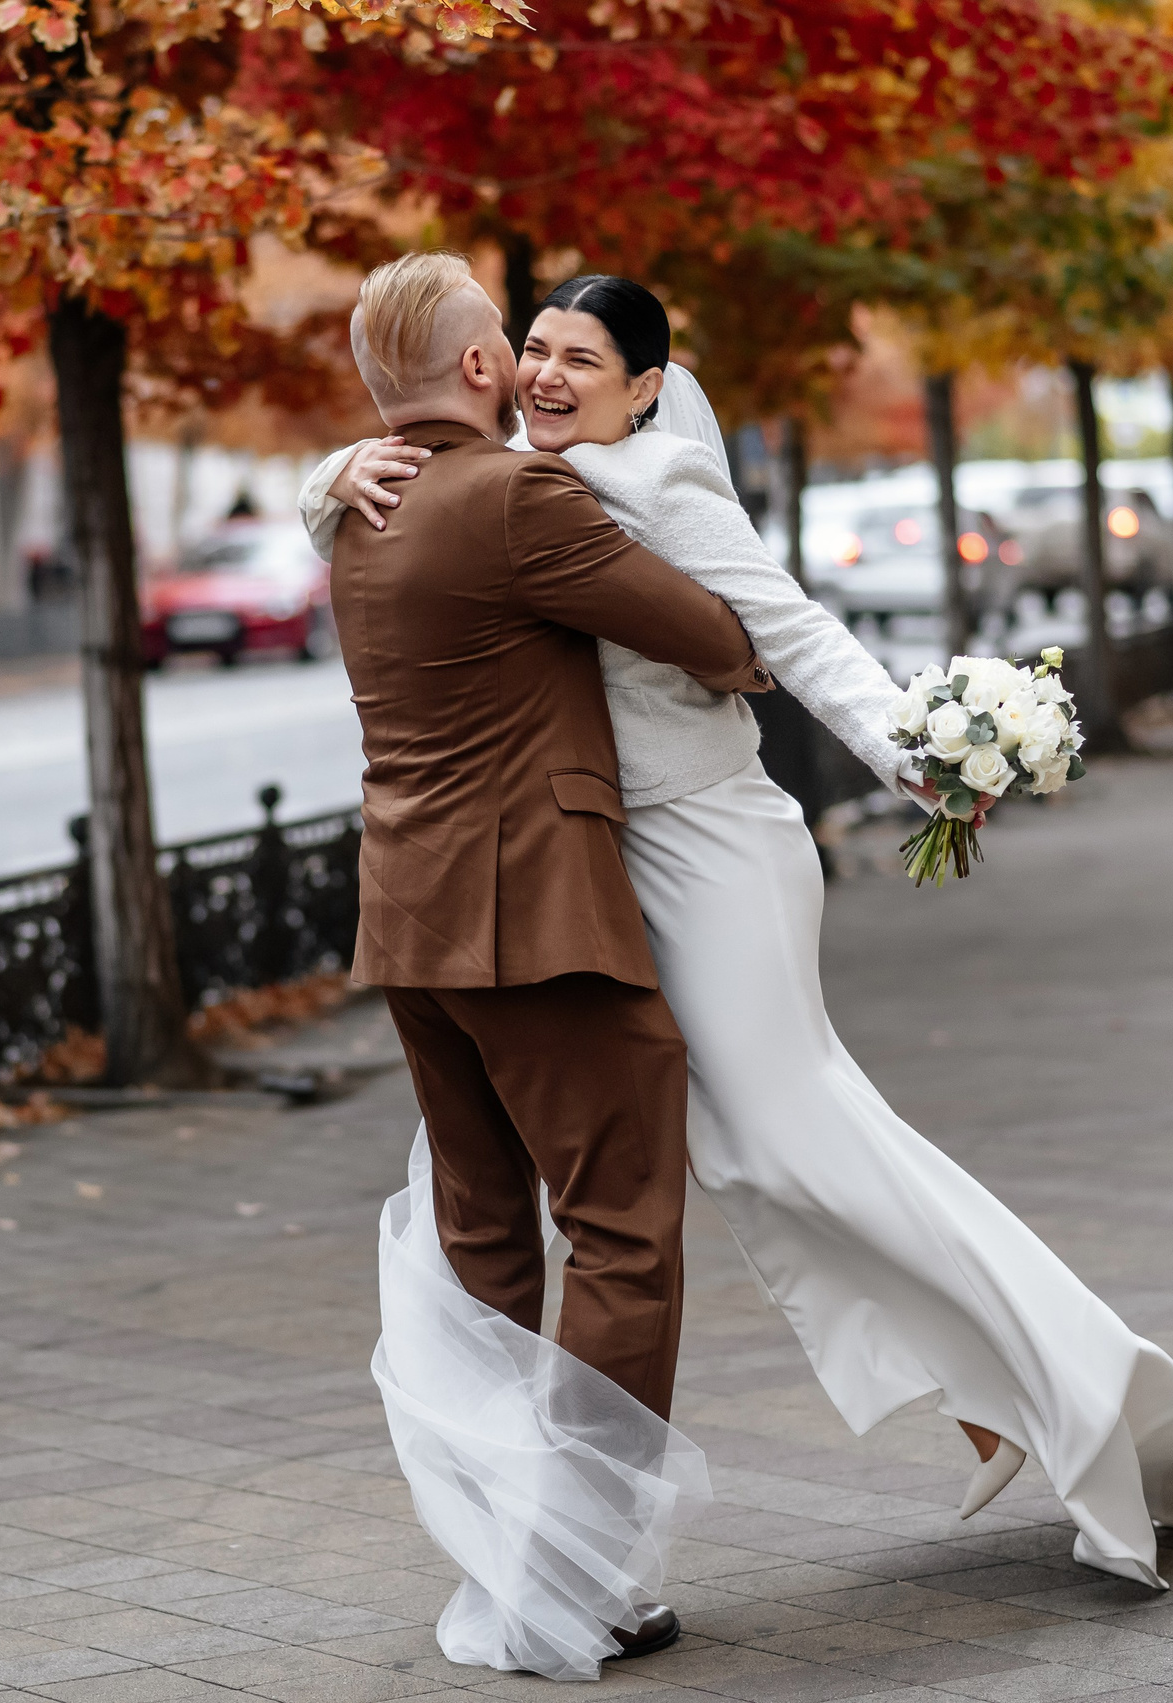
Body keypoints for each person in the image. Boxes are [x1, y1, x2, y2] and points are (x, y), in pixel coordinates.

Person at [309, 269, 1173, 1672]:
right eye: (537, 351)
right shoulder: (489, 483)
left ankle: (1075, 1386)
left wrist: (920, 756)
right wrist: (341, 464)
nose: (553, 375)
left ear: (646, 390)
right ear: (493, 366)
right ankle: (984, 1390)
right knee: (744, 1165)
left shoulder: (651, 483)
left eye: (583, 359)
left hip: (714, 855)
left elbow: (780, 631)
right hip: (604, 877)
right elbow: (454, 489)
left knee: (794, 1144)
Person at [329, 253, 774, 1678]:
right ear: (477, 373)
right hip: (541, 921)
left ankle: (511, 1552)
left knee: (487, 1252)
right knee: (627, 1233)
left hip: (413, 921)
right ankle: (576, 1579)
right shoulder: (517, 497)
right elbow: (719, 638)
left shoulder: (361, 511)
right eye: (507, 350)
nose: (530, 371)